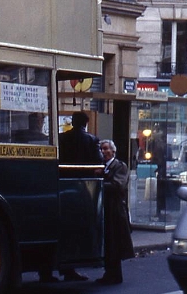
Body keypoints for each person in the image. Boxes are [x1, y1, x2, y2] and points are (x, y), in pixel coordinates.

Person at [40, 111, 101, 283]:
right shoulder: (91, 140)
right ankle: (69, 269)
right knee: (75, 232)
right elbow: (98, 162)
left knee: (58, 229)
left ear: (72, 122)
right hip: (81, 189)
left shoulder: (62, 138)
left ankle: (47, 271)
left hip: (61, 185)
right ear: (86, 123)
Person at [96, 139, 134, 285]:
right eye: (101, 149)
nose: (103, 152)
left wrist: (99, 181)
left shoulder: (120, 166)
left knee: (115, 242)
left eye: (106, 149)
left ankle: (115, 274)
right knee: (108, 242)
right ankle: (109, 272)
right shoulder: (102, 166)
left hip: (116, 210)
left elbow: (117, 185)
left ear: (113, 151)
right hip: (107, 209)